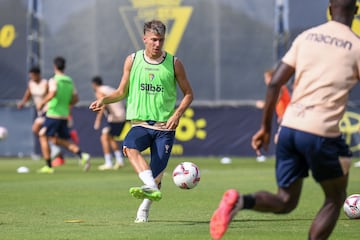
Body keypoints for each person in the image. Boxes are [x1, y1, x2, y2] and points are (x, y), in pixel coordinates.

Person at [210, 1, 359, 240]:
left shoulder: (307, 37)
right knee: (335, 198)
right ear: (356, 11)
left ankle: (239, 201)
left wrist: (265, 128)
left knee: (286, 200)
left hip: (289, 128)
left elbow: (274, 83)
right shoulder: (356, 46)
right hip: (321, 131)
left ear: (330, 8)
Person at [89, 20, 194, 222]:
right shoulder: (132, 60)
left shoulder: (174, 63)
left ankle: (144, 209)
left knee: (157, 176)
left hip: (165, 128)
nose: (157, 44)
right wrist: (104, 100)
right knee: (129, 147)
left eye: (161, 40)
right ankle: (149, 187)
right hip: (140, 124)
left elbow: (189, 94)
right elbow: (121, 92)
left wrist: (177, 114)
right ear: (144, 38)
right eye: (153, 39)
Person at [37, 56, 90, 173]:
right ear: (64, 67)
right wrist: (66, 103)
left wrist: (42, 102)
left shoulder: (54, 80)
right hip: (64, 115)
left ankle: (48, 166)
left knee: (42, 135)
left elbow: (52, 93)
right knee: (60, 140)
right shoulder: (69, 81)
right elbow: (76, 99)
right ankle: (82, 155)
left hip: (53, 114)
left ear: (55, 66)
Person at [91, 76, 126, 170]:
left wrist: (98, 119)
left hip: (115, 117)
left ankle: (108, 162)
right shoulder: (108, 88)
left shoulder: (99, 91)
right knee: (110, 137)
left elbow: (103, 104)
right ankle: (119, 160)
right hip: (122, 115)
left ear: (94, 84)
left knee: (104, 137)